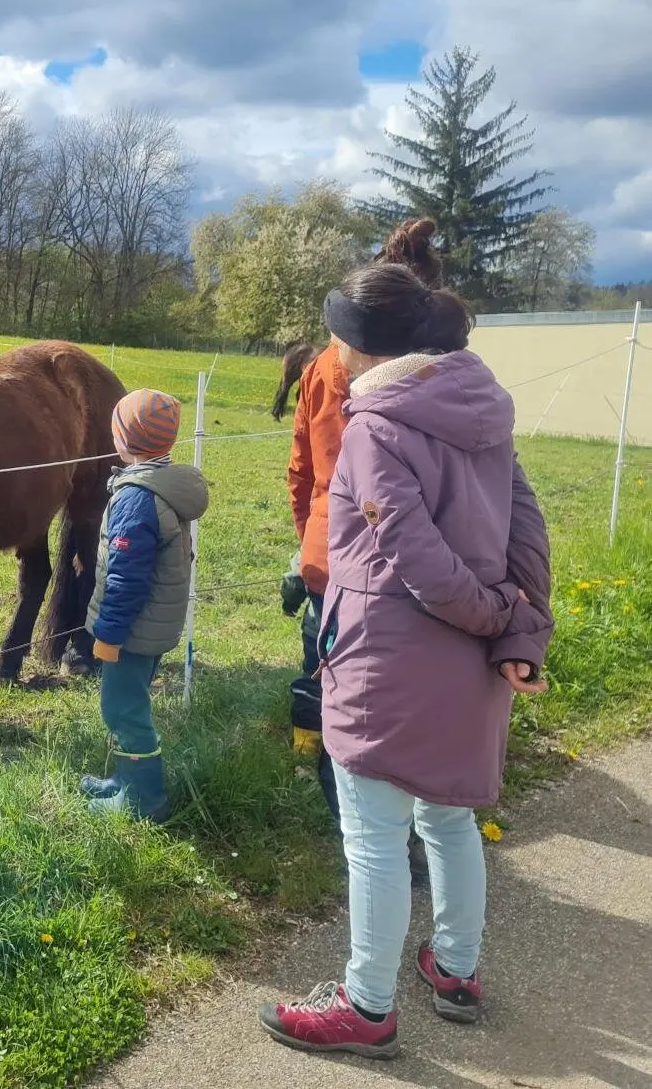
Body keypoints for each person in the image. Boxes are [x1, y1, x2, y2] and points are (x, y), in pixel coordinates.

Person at [261, 263, 553, 1060]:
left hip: (385, 665)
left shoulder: (374, 425)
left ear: (361, 348)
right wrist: (519, 633)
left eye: (335, 331)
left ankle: (365, 1004)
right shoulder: (484, 414)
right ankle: (454, 969)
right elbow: (525, 528)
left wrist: (500, 616)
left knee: (373, 836)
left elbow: (416, 559)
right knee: (451, 818)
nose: (328, 343)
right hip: (469, 669)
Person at [286, 219, 445, 886]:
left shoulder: (328, 364)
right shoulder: (442, 370)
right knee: (408, 691)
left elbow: (302, 468)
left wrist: (309, 541)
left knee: (334, 687)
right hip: (425, 560)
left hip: (337, 555)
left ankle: (352, 822)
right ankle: (404, 829)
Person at [75, 388, 209, 821]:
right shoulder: (163, 485)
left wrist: (109, 637)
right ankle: (124, 780)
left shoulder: (135, 498)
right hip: (153, 625)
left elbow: (125, 578)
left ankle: (144, 802)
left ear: (123, 439)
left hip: (132, 630)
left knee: (123, 710)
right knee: (129, 703)